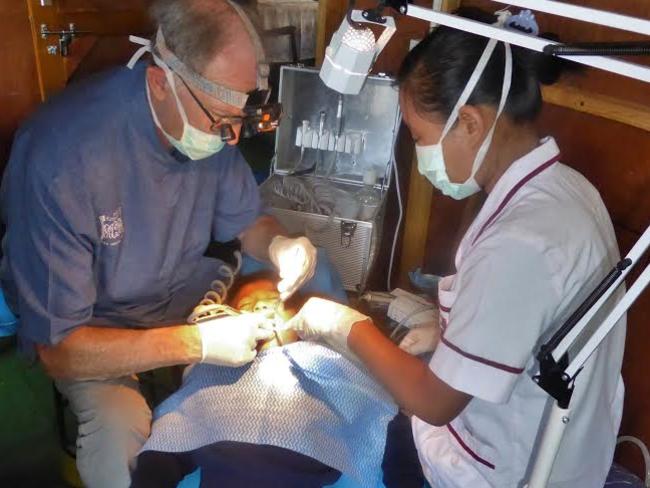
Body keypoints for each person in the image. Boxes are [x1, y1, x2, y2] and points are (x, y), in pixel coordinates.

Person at [285, 8, 626, 488]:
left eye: (421, 138)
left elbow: (434, 402)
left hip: (507, 470)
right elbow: (519, 318)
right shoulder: (566, 188)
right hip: (563, 448)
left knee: (344, 430)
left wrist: (346, 327)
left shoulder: (520, 242)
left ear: (469, 122)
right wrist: (443, 326)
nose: (421, 155)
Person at [0, 1, 327, 486]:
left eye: (242, 117)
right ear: (160, 83)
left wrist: (279, 243)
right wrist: (194, 344)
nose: (233, 138)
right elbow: (60, 349)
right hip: (97, 331)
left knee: (313, 313)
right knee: (120, 429)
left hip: (186, 293)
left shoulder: (209, 126)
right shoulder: (60, 160)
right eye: (221, 120)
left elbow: (245, 219)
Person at [130, 272, 401, 488]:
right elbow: (172, 440)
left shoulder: (327, 360)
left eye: (273, 301)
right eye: (246, 306)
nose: (260, 306)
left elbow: (382, 418)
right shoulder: (213, 368)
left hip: (304, 464)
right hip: (223, 468)